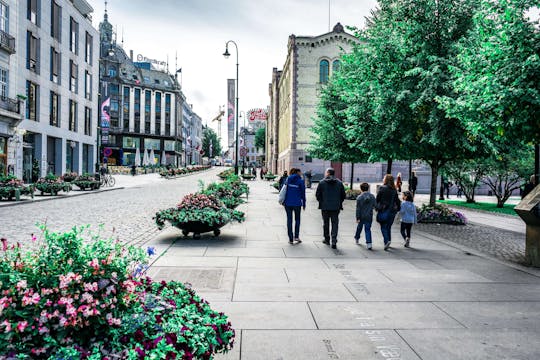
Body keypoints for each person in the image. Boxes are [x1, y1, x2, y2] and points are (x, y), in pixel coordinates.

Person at [316, 168, 346, 249]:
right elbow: (343, 195)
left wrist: (322, 202)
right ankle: (334, 240)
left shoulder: (322, 182)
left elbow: (318, 195)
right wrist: (339, 202)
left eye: (326, 172)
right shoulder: (339, 183)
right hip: (336, 207)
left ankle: (327, 239)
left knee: (326, 223)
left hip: (325, 207)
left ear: (328, 173)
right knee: (335, 223)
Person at [376, 174, 401, 250]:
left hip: (384, 210)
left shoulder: (382, 188)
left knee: (383, 226)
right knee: (388, 227)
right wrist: (398, 209)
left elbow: (377, 199)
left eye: (384, 178)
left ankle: (386, 241)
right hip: (392, 211)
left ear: (386, 180)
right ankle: (389, 241)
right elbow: (397, 201)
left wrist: (376, 207)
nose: (383, 179)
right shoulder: (394, 190)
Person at [282, 168, 306, 245]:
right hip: (297, 204)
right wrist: (304, 204)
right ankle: (296, 236)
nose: (301, 173)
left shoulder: (288, 179)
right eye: (300, 172)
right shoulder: (300, 181)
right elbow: (303, 193)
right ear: (298, 172)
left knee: (289, 220)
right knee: (297, 219)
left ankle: (290, 239)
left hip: (288, 203)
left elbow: (283, 189)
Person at [355, 182, 376, 250]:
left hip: (361, 216)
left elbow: (358, 209)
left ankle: (357, 238)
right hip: (369, 216)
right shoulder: (372, 196)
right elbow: (375, 206)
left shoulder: (359, 197)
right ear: (368, 188)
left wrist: (357, 217)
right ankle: (369, 243)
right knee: (367, 229)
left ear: (361, 189)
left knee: (359, 228)